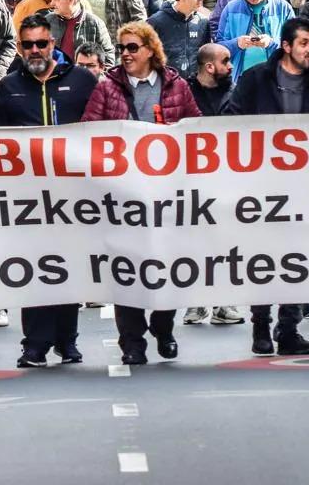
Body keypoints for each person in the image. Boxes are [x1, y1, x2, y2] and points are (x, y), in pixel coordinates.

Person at [81, 22, 199, 365]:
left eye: (133, 47)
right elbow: (90, 131)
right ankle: (132, 341)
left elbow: (197, 130)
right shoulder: (106, 88)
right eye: (122, 48)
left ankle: (163, 327)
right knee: (127, 270)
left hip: (167, 195)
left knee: (167, 266)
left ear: (150, 49)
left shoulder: (176, 87)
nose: (126, 54)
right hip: (123, 195)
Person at [226, 19, 309, 355]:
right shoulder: (256, 78)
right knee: (263, 260)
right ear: (287, 45)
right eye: (305, 43)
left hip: (307, 188)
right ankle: (260, 327)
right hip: (262, 188)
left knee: (299, 260)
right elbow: (233, 122)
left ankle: (289, 328)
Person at [0, 15, 99, 368]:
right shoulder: (9, 88)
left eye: (42, 43)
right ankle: (35, 344)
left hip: (74, 196)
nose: (35, 50)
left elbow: (102, 130)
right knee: (36, 270)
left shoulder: (83, 80)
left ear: (54, 44)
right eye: (28, 45)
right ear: (20, 48)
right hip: (28, 199)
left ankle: (67, 341)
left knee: (68, 268)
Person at [215, 0, 295, 82]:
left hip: (275, 77)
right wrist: (237, 43)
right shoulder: (231, 8)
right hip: (240, 78)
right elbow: (219, 47)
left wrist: (271, 43)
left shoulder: (283, 8)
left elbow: (294, 44)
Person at [148, 0, 209, 81]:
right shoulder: (156, 22)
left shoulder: (203, 22)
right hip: (166, 86)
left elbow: (206, 55)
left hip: (194, 86)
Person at [46, 0, 115, 65]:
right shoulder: (48, 21)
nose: (52, 3)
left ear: (70, 0)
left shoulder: (95, 23)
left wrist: (97, 77)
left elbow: (108, 57)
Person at [189, 42, 233, 117]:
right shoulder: (184, 93)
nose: (231, 66)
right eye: (225, 62)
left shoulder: (236, 94)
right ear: (209, 67)